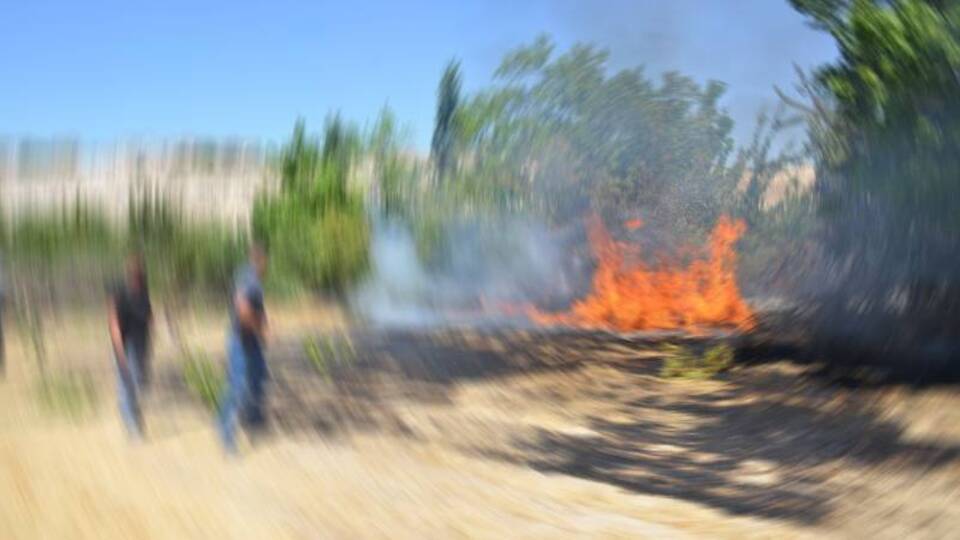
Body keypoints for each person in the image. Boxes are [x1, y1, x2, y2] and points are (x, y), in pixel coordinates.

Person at [218, 243, 269, 454]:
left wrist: (264, 324)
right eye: (266, 263)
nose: (267, 268)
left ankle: (253, 421)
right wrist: (260, 329)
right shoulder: (248, 279)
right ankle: (227, 434)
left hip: (251, 338)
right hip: (242, 338)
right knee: (237, 386)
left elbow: (256, 309)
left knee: (258, 377)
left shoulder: (252, 279)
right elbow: (243, 309)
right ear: (260, 261)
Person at [108, 253, 153, 438]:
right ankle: (132, 427)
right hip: (126, 345)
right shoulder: (120, 292)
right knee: (127, 383)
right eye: (134, 272)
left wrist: (153, 340)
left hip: (142, 343)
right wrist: (119, 351)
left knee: (139, 383)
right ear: (129, 273)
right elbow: (113, 322)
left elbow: (149, 317)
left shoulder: (143, 291)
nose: (137, 275)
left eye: (139, 271)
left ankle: (133, 415)